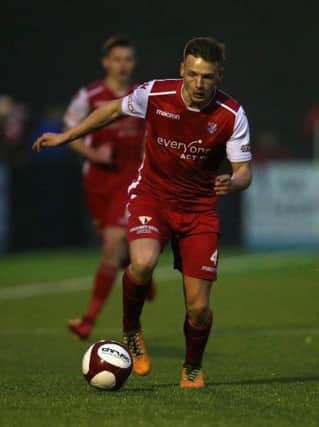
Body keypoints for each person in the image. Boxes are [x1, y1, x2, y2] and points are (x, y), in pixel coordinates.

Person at [33, 37, 253, 389]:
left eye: (207, 77)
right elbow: (111, 110)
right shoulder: (155, 94)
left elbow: (244, 171)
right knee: (143, 263)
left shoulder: (231, 115)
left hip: (198, 211)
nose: (198, 84)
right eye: (192, 74)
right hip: (152, 197)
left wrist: (234, 181)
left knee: (198, 308)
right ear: (182, 69)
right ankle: (132, 330)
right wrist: (67, 136)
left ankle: (192, 367)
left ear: (219, 76)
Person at [62, 35, 155, 340]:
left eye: (128, 59)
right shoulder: (89, 96)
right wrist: (93, 154)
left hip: (129, 182)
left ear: (134, 63)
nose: (122, 65)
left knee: (111, 246)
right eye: (117, 59)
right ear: (106, 62)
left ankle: (87, 320)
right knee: (115, 249)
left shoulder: (140, 96)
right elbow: (70, 132)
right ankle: (139, 271)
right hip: (97, 183)